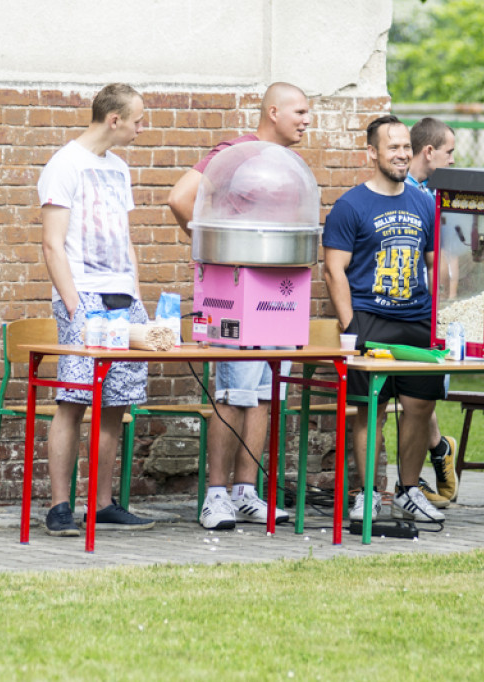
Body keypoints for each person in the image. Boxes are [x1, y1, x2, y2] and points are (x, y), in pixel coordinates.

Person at [166, 82, 310, 530]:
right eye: (300, 112)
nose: (307, 121)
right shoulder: (238, 153)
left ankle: (246, 492)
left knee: (266, 394)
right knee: (232, 393)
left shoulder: (286, 164)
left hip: (279, 289)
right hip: (240, 289)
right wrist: (210, 246)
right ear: (273, 111)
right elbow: (179, 197)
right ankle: (215, 495)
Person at [37, 83, 155, 536]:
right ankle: (60, 507)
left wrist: (137, 297)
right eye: (138, 120)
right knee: (73, 399)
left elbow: (124, 239)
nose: (141, 128)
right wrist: (74, 308)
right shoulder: (64, 165)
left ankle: (102, 503)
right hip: (82, 295)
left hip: (123, 296)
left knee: (117, 402)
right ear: (114, 120)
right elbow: (52, 243)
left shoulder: (119, 169)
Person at [322, 114, 446, 523]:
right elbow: (333, 269)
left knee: (420, 407)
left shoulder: (424, 203)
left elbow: (438, 265)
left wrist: (442, 316)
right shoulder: (351, 205)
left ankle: (410, 490)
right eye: (393, 147)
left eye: (406, 146)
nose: (402, 154)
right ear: (372, 152)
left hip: (416, 321)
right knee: (370, 409)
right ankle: (371, 494)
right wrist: (351, 327)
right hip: (370, 320)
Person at [403, 116, 460, 510]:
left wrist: (448, 306)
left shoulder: (437, 193)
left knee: (419, 399)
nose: (453, 160)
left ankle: (428, 463)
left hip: (428, 313)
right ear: (429, 151)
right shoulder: (402, 191)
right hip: (399, 310)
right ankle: (437, 452)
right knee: (407, 399)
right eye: (449, 152)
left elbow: (447, 256)